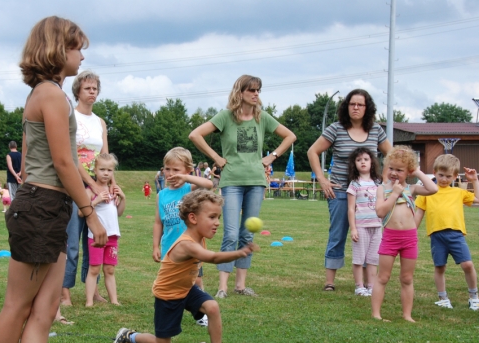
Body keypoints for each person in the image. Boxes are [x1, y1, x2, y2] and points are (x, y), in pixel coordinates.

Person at [0, 16, 106, 343]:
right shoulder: (52, 95)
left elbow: (67, 160)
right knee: (19, 307)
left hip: (47, 206)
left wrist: (95, 188)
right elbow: (61, 162)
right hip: (42, 207)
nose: (82, 55)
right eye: (77, 47)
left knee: (43, 309)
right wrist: (90, 213)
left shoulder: (48, 93)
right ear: (58, 49)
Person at [110, 190, 257, 343]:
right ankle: (129, 336)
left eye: (218, 217)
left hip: (186, 288)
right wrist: (240, 252)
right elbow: (213, 258)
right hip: (168, 294)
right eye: (212, 217)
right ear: (193, 218)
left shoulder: (199, 237)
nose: (217, 222)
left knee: (212, 307)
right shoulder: (186, 244)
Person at [189, 75, 295, 298]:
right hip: (232, 182)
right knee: (230, 233)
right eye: (252, 90)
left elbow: (290, 136)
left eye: (258, 90)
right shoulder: (225, 117)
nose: (256, 94)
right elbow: (195, 134)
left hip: (256, 181)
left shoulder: (262, 117)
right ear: (240, 93)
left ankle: (240, 286)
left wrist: (272, 157)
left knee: (247, 234)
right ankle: (222, 287)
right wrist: (216, 157)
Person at [307, 89, 393, 292]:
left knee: (368, 234)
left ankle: (366, 283)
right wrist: (322, 179)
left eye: (360, 105)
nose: (355, 108)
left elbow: (391, 154)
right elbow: (313, 151)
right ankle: (330, 282)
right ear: (346, 107)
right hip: (339, 191)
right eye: (352, 104)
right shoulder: (336, 129)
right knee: (337, 234)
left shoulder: (376, 131)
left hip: (369, 195)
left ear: (367, 108)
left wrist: (384, 181)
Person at [61, 70, 110, 307]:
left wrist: (110, 184)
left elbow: (105, 157)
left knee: (95, 238)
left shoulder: (100, 122)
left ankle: (94, 289)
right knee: (72, 238)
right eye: (88, 88)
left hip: (97, 184)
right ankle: (65, 292)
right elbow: (71, 156)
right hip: (76, 184)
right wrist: (90, 184)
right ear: (78, 91)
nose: (92, 92)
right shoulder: (71, 118)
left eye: (95, 89)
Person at [371, 146, 437, 322]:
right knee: (383, 277)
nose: (394, 173)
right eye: (391, 168)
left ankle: (407, 315)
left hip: (409, 239)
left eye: (399, 170)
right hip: (390, 238)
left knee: (407, 278)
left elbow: (433, 189)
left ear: (408, 172)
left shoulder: (413, 188)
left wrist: (419, 172)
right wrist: (394, 194)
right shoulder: (382, 189)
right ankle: (376, 314)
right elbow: (380, 212)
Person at [415, 154, 479, 311]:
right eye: (440, 175)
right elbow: (418, 214)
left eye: (448, 176)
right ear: (434, 172)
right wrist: (411, 232)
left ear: (454, 176)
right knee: (440, 267)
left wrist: (474, 180)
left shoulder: (458, 192)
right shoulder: (426, 193)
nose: (444, 179)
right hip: (436, 237)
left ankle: (474, 297)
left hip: (456, 235)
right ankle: (442, 298)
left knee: (467, 264)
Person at [152, 147, 213, 291]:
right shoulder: (161, 195)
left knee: (196, 281)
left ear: (187, 170)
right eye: (167, 169)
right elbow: (158, 222)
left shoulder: (191, 189)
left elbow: (209, 185)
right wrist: (155, 246)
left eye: (176, 170)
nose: (171, 173)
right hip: (170, 248)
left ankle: (202, 311)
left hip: (192, 247)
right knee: (170, 282)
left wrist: (185, 178)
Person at [81, 153, 126, 306]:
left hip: (112, 236)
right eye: (102, 169)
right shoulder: (89, 190)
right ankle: (89, 301)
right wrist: (96, 200)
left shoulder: (113, 190)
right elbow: (81, 212)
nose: (106, 173)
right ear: (94, 170)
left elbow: (119, 213)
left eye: (109, 170)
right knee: (94, 269)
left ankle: (114, 300)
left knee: (110, 270)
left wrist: (123, 198)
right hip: (96, 236)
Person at [346, 147, 382, 297]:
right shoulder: (354, 184)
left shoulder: (378, 183)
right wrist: (353, 228)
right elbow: (351, 209)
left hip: (377, 226)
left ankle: (371, 286)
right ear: (354, 164)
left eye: (366, 159)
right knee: (359, 258)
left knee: (373, 259)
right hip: (361, 227)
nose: (363, 162)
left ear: (372, 162)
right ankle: (359, 286)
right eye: (359, 160)